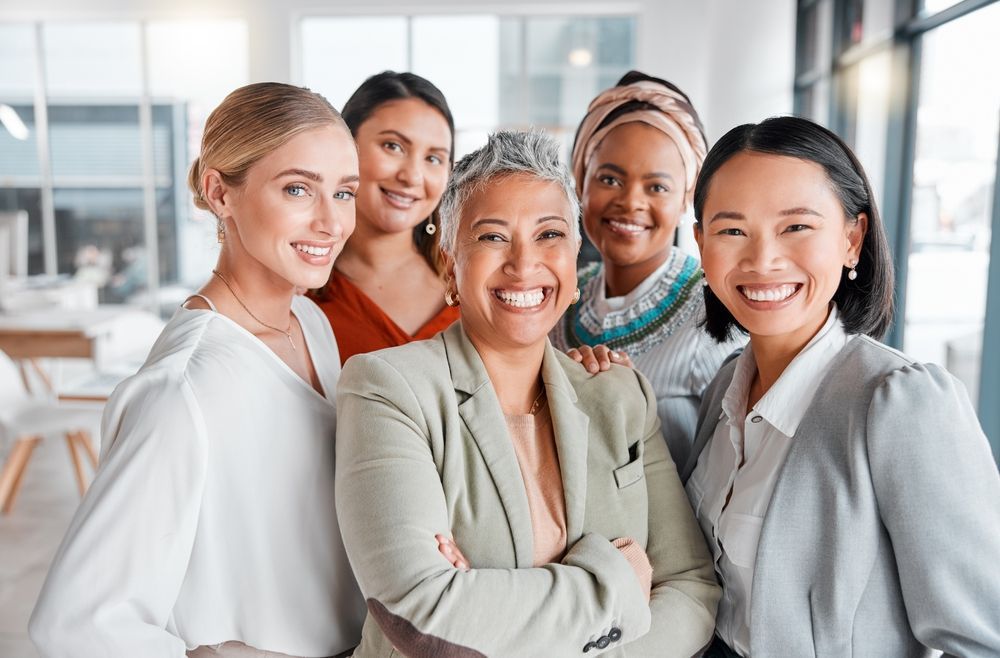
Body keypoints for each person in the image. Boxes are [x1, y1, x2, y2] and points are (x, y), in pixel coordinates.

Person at [335, 130, 720, 657]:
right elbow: (421, 613)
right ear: (450, 266)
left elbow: (693, 587)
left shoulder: (620, 396)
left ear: (574, 263)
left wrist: (494, 611)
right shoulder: (388, 390)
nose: (523, 263)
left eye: (549, 235)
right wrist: (619, 587)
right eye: (493, 237)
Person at [30, 82, 367, 658]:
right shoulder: (183, 388)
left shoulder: (310, 323)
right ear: (219, 192)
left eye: (344, 193)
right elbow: (74, 624)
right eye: (297, 189)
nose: (331, 222)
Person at [682, 115, 1000, 657]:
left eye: (796, 227)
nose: (762, 259)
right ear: (700, 243)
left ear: (852, 239)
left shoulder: (901, 402)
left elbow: (983, 637)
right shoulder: (725, 386)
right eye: (732, 230)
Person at [551, 71, 744, 469]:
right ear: (580, 182)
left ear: (686, 198)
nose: (630, 202)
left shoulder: (715, 314)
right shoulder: (560, 299)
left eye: (656, 187)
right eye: (609, 179)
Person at [310, 71, 458, 363]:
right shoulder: (300, 291)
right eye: (393, 146)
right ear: (345, 146)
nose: (412, 176)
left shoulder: (470, 277)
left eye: (433, 158)